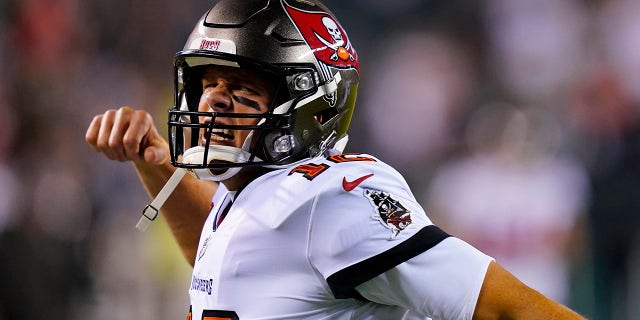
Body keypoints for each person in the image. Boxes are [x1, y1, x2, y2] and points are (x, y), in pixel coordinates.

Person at [85, 0, 586, 319]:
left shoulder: (333, 201)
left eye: (240, 88)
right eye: (207, 84)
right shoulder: (249, 193)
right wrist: (154, 160)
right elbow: (233, 260)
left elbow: (505, 309)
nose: (212, 103)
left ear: (311, 107)